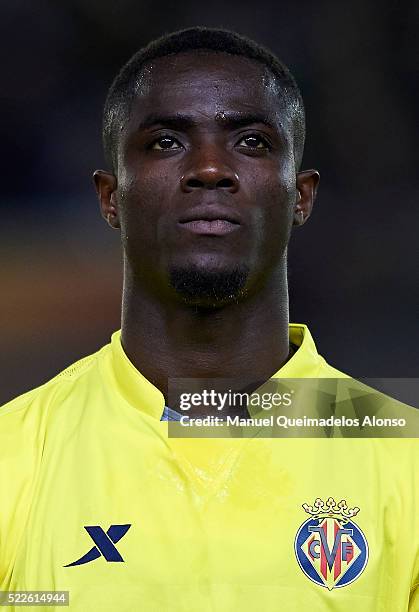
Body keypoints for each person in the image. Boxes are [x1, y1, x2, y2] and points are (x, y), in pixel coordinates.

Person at [0, 27, 418, 611]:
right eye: (167, 141)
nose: (210, 168)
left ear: (301, 196)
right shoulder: (13, 456)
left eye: (249, 141)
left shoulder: (406, 462)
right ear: (110, 197)